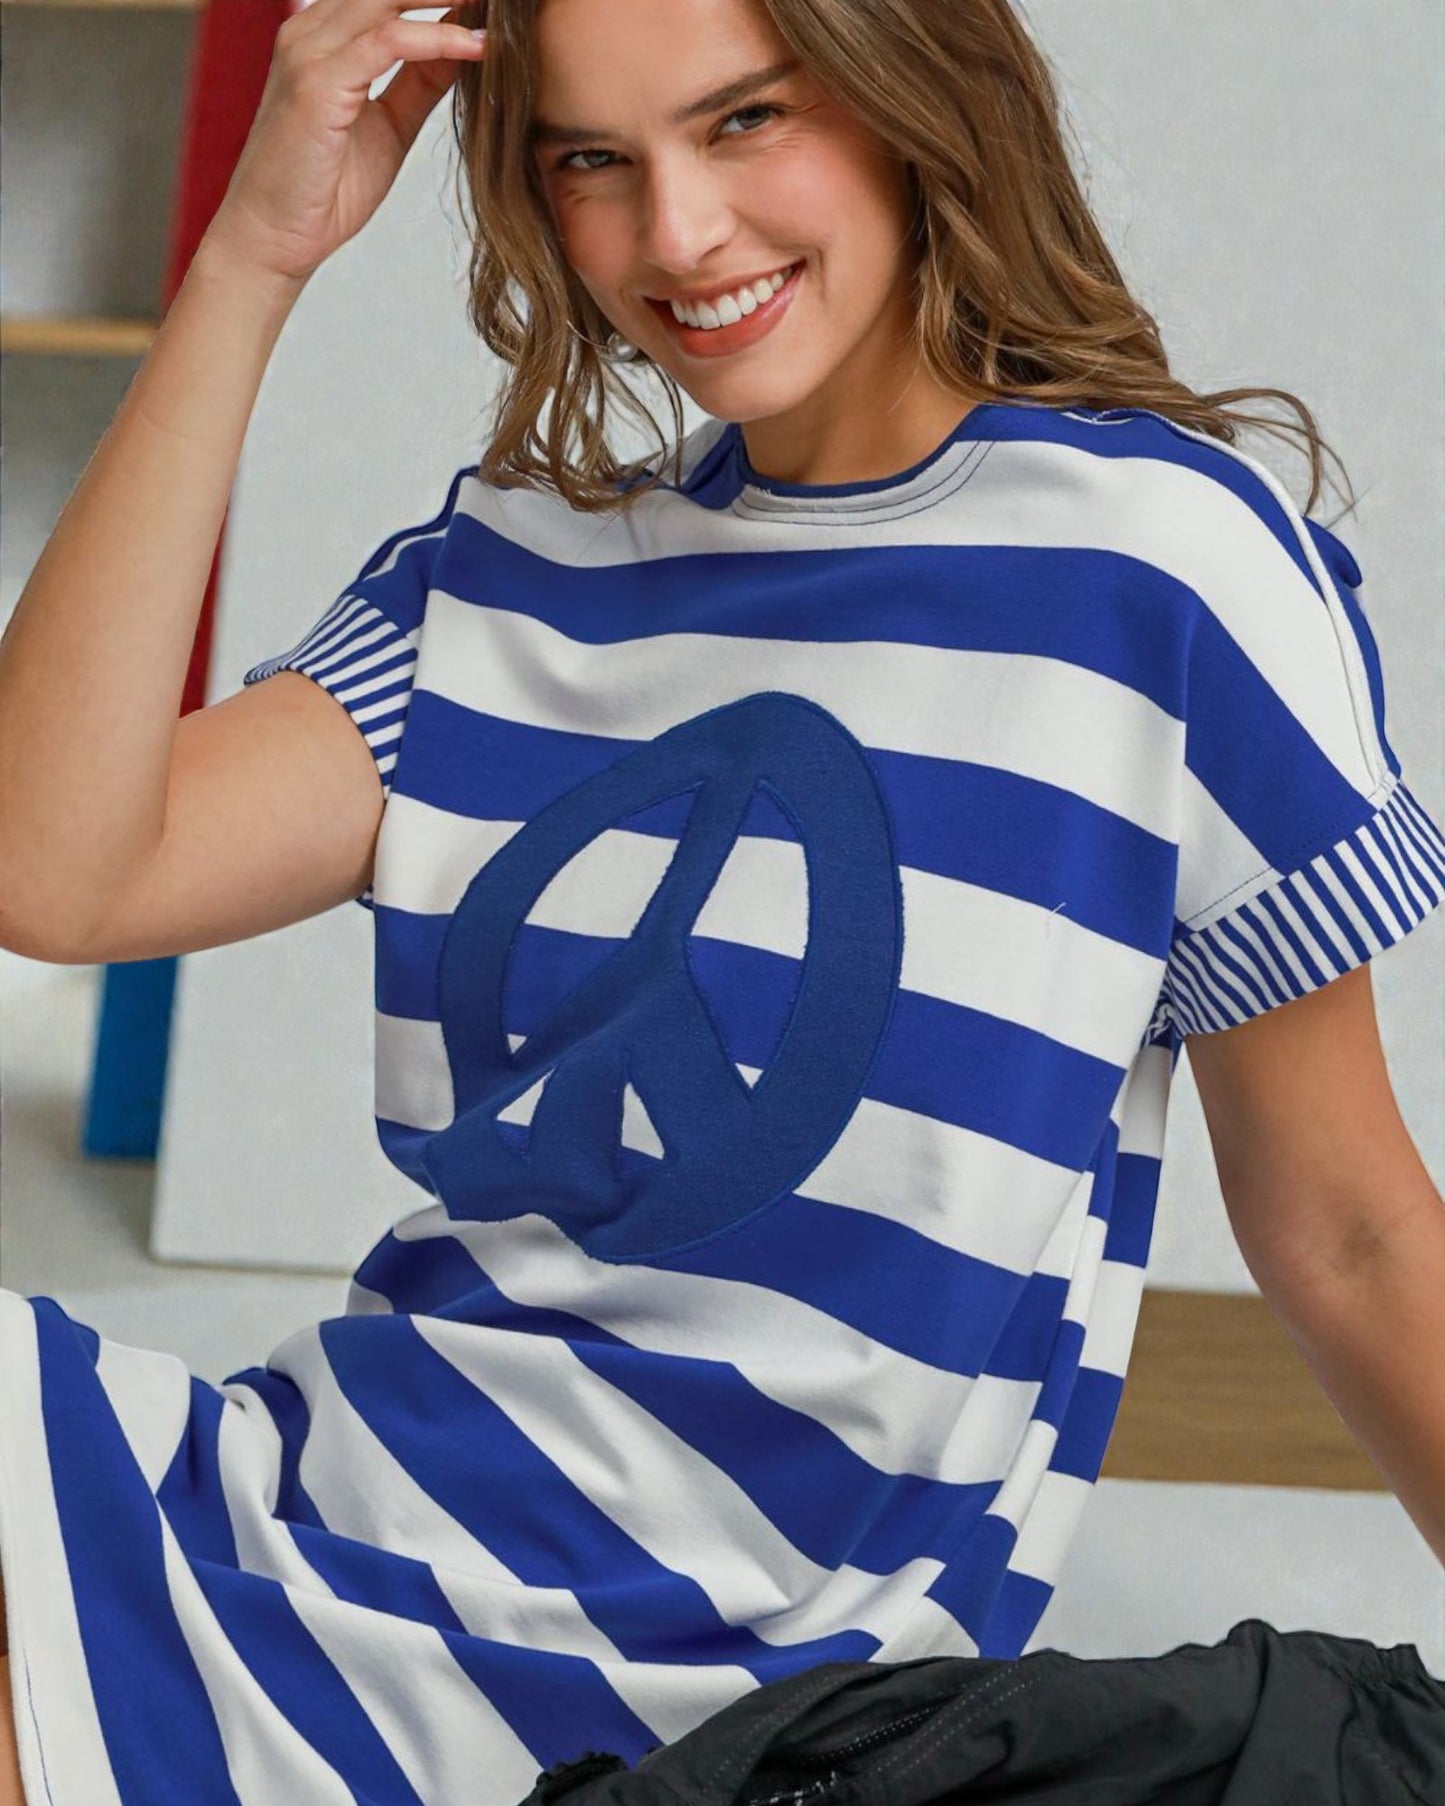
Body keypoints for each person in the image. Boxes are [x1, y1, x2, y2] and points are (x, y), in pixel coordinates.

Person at [1, 0, 1442, 1798]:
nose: (675, 237)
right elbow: (50, 868)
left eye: (746, 120)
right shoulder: (507, 585)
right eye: (592, 161)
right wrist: (253, 253)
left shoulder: (1163, 578)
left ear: (918, 91)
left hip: (668, 1704)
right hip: (296, 1510)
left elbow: (1351, 1229)